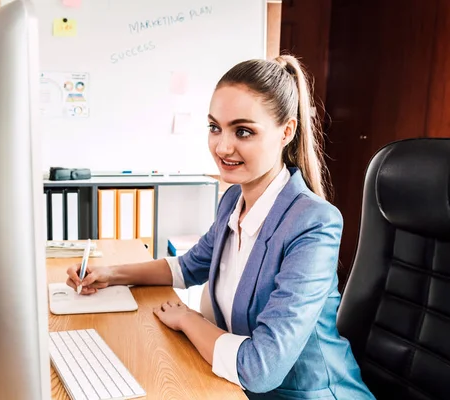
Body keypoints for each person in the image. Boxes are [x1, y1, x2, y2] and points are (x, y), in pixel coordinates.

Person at [66, 55, 375, 399]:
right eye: (215, 127)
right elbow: (188, 265)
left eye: (243, 131)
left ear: (286, 131)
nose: (222, 147)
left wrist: (189, 320)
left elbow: (261, 368)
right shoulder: (233, 201)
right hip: (233, 387)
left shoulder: (312, 223)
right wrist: (111, 273)